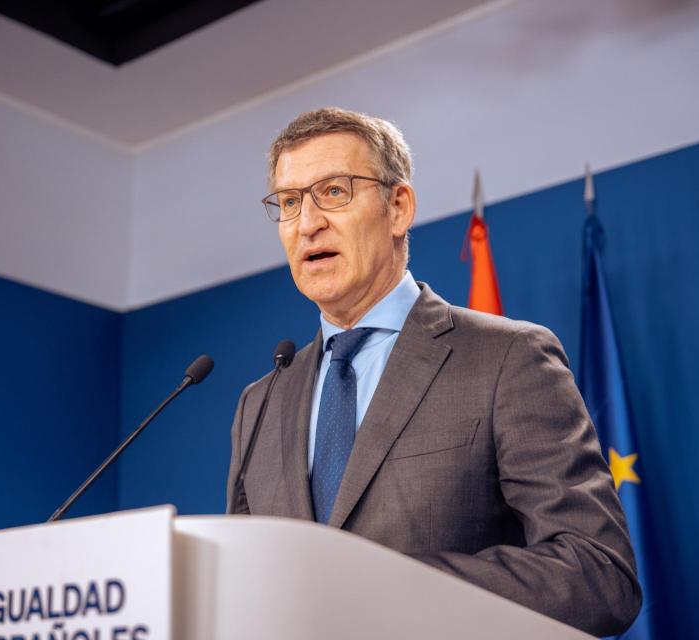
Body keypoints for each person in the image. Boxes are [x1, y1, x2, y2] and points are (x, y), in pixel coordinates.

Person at [226, 107, 641, 636]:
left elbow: (598, 574)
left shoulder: (508, 358)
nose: (308, 223)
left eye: (333, 192)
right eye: (289, 202)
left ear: (398, 207)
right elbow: (237, 587)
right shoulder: (260, 403)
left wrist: (391, 585)